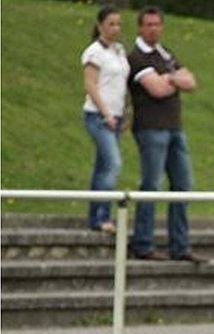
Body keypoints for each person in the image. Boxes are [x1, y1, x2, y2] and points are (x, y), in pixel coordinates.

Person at [127, 6, 206, 263]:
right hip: (151, 129)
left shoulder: (166, 53)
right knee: (151, 185)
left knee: (183, 186)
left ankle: (180, 246)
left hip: (175, 129)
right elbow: (157, 89)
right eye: (148, 24)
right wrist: (174, 80)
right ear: (140, 27)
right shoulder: (137, 57)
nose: (154, 29)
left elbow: (191, 82)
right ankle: (143, 243)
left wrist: (168, 78)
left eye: (157, 24)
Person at [82, 6, 129, 234]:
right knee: (113, 163)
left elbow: (121, 84)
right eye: (111, 24)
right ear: (100, 25)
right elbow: (91, 84)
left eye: (118, 24)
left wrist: (125, 112)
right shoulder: (94, 52)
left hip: (117, 116)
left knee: (102, 167)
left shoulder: (119, 51)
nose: (115, 28)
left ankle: (95, 217)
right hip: (99, 116)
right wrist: (106, 113)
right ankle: (103, 216)